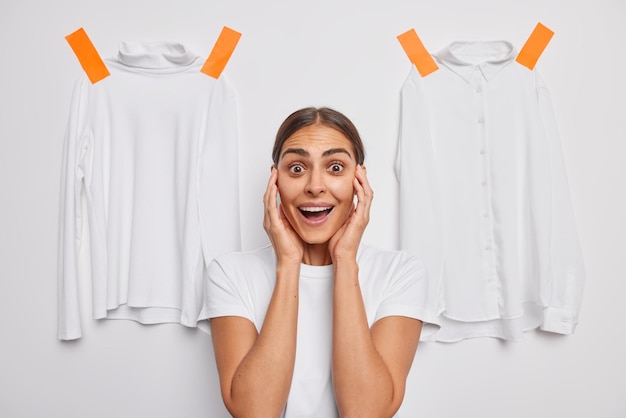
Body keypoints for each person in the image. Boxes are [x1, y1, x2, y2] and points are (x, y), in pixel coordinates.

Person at [202, 107, 431, 417]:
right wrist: (288, 264)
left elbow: (366, 413)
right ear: (275, 182)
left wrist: (345, 259)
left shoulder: (401, 273)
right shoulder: (229, 274)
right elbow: (254, 412)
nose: (314, 185)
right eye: (296, 168)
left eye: (335, 167)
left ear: (359, 180)